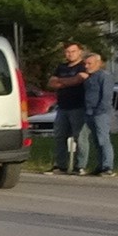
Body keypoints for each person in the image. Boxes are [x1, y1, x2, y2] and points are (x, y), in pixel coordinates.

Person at [48, 42, 89, 174]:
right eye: (67, 52)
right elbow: (51, 83)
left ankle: (80, 166)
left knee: (80, 138)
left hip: (78, 106)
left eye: (73, 51)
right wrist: (69, 81)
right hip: (62, 107)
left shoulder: (84, 66)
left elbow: (79, 80)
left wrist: (61, 81)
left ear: (80, 52)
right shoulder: (61, 67)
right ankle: (61, 165)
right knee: (60, 136)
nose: (70, 54)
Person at [81, 52, 113, 177]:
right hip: (89, 112)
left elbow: (106, 96)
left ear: (98, 64)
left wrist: (99, 111)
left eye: (90, 63)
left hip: (100, 113)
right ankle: (99, 166)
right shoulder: (89, 77)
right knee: (96, 140)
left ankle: (107, 166)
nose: (87, 66)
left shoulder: (104, 76)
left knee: (103, 139)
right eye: (86, 64)